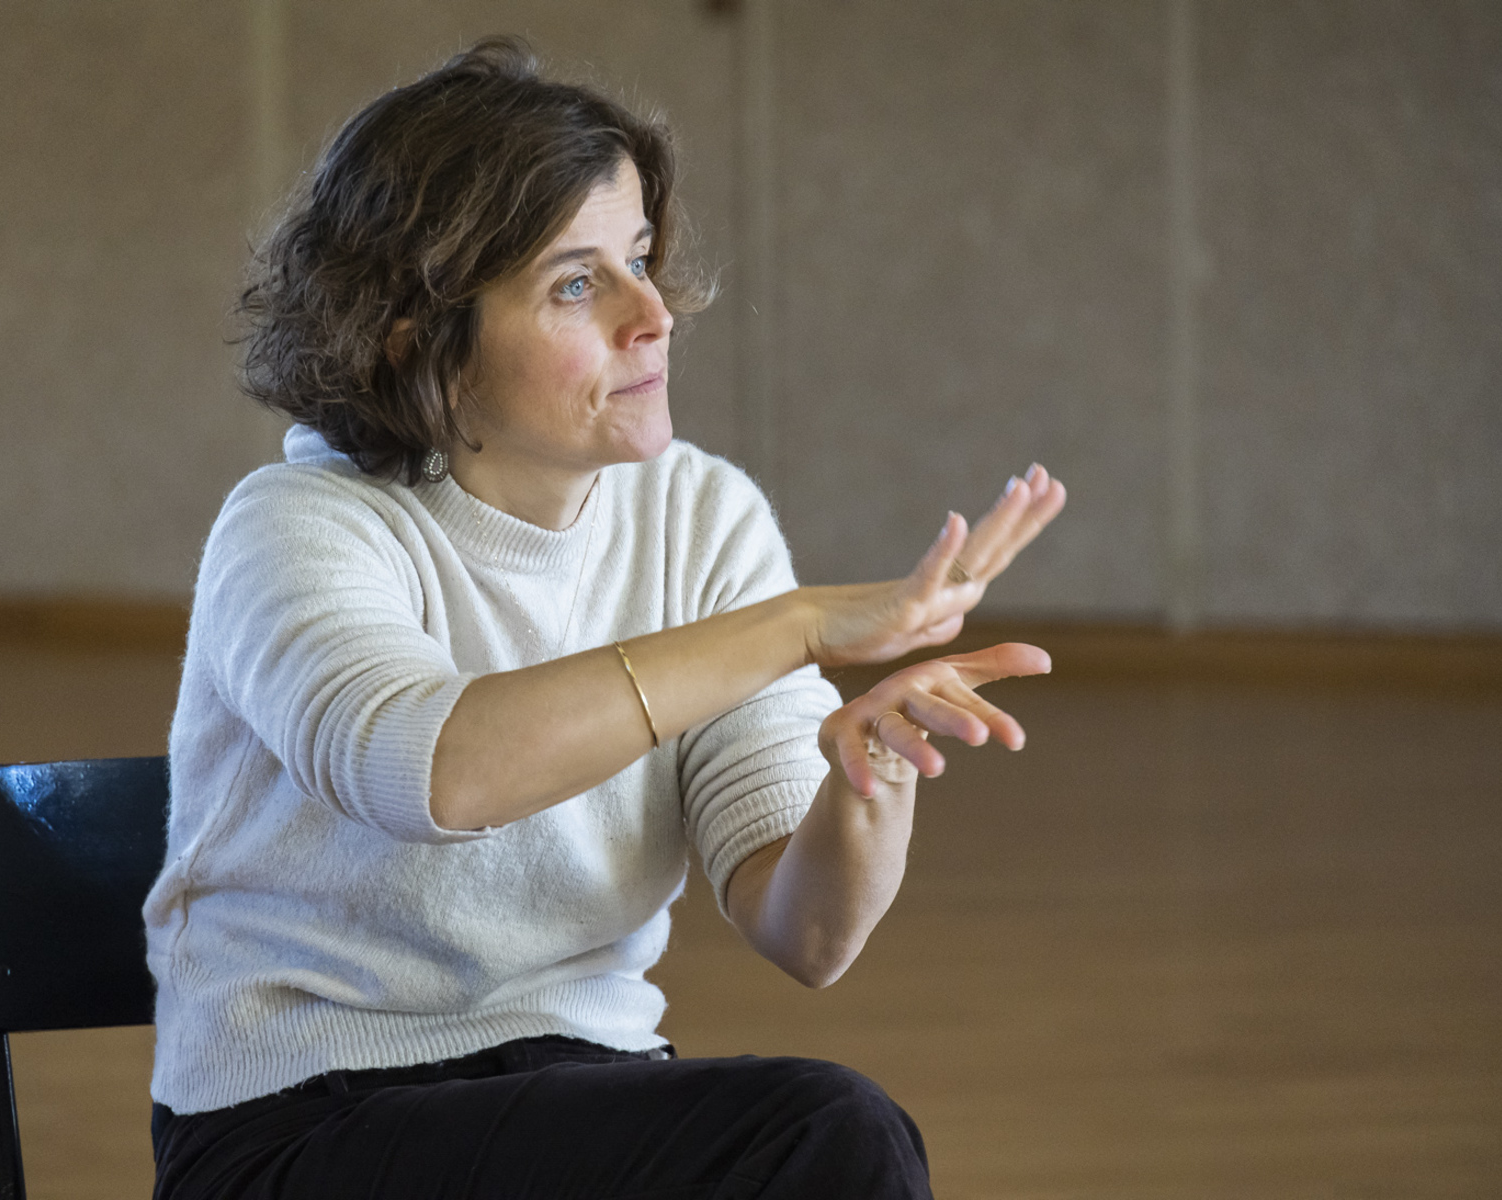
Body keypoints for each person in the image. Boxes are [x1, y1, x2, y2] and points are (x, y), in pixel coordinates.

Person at [144, 36, 1066, 1200]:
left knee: (828, 1134)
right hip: (297, 1123)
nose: (654, 315)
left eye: (638, 259)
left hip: (581, 1086)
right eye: (577, 284)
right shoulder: (296, 524)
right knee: (823, 1132)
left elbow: (806, 936)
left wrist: (869, 776)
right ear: (417, 338)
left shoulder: (701, 516)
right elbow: (439, 774)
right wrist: (795, 627)